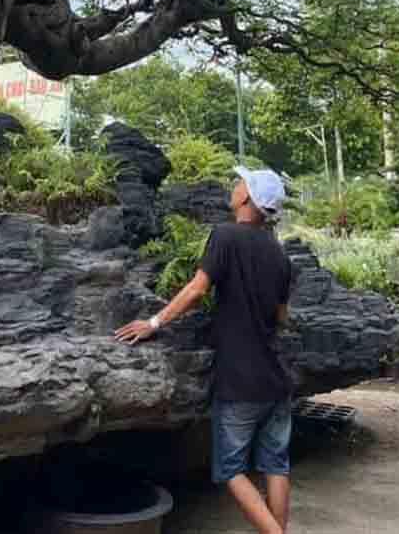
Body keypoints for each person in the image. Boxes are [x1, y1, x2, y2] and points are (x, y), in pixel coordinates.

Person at [115, 166, 293, 534]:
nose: (235, 185)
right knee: (276, 465)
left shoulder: (225, 236)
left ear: (247, 198)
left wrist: (153, 324)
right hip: (275, 380)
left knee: (231, 470)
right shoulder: (280, 254)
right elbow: (281, 317)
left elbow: (197, 289)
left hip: (239, 380)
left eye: (240, 182)